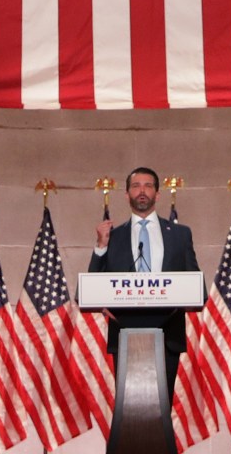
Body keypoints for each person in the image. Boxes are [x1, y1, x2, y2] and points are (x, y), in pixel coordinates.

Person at [89, 166, 200, 407]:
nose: (142, 191)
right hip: (125, 332)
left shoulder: (180, 234)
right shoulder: (113, 236)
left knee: (161, 410)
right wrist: (100, 246)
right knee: (129, 411)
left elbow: (195, 283)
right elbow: (92, 286)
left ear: (157, 195)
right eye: (136, 186)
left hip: (167, 333)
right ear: (127, 194)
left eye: (148, 186)